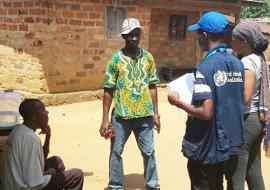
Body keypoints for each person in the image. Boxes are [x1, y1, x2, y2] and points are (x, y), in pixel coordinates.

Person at [168, 12, 244, 190]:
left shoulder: (205, 67)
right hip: (229, 144)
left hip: (206, 146)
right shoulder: (237, 64)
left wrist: (177, 102)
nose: (197, 38)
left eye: (198, 34)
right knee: (217, 184)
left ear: (204, 35)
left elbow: (206, 112)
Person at [99, 18, 161, 190]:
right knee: (116, 152)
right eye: (130, 35)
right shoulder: (115, 60)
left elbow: (153, 86)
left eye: (136, 34)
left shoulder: (148, 58)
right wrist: (105, 119)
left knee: (149, 152)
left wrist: (156, 114)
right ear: (124, 36)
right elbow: (108, 90)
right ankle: (115, 186)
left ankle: (153, 185)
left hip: (145, 116)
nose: (134, 38)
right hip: (121, 116)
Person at [1, 99, 84, 190]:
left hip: (20, 180)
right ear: (34, 117)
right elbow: (34, 183)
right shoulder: (30, 139)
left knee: (56, 161)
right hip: (23, 187)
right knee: (76, 175)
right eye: (43, 110)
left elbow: (40, 161)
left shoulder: (19, 130)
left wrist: (48, 137)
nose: (47, 112)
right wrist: (49, 173)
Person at [230, 20, 270, 190]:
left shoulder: (247, 62)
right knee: (253, 170)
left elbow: (245, 96)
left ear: (244, 42)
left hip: (247, 119)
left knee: (236, 175)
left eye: (234, 39)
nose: (231, 43)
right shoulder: (259, 58)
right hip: (258, 120)